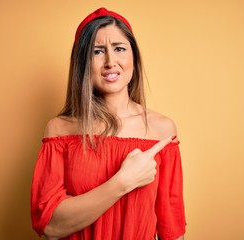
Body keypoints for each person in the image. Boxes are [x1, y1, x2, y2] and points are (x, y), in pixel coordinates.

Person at [31, 7, 186, 240]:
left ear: (134, 57)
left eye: (120, 49)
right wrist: (123, 182)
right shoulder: (60, 130)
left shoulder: (161, 130)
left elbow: (171, 228)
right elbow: (51, 227)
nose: (110, 62)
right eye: (97, 52)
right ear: (82, 63)